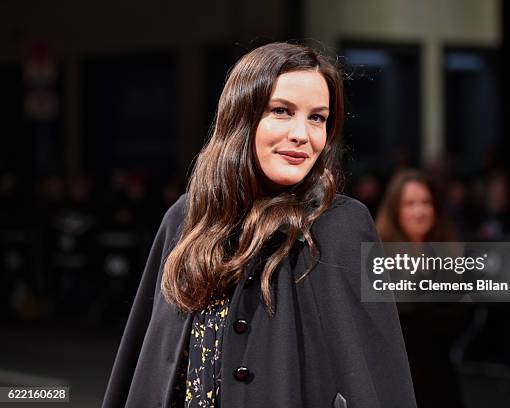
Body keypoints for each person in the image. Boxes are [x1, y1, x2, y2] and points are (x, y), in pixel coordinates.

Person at [102, 42, 416, 408]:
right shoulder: (186, 219)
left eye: (318, 117)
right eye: (282, 111)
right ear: (242, 116)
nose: (303, 134)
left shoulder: (340, 225)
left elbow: (376, 376)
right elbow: (148, 363)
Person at [376, 169, 468, 408]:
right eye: (410, 204)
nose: (419, 211)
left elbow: (461, 316)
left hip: (441, 378)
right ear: (396, 210)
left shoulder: (448, 254)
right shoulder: (380, 258)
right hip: (397, 381)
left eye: (426, 203)